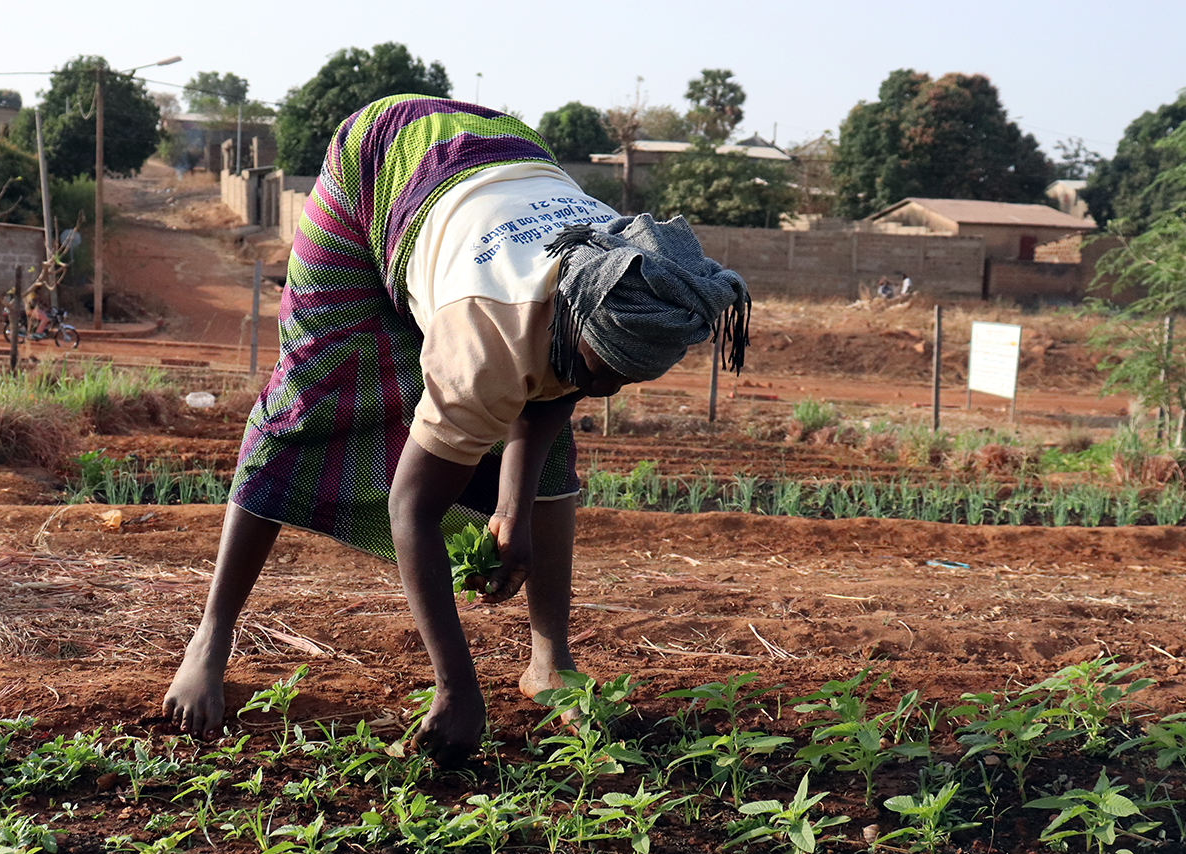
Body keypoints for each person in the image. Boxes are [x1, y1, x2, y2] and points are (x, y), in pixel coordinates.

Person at [163, 95, 750, 765]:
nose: (606, 390)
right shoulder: (485, 341)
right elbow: (410, 508)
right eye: (602, 368)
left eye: (623, 378)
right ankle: (209, 640)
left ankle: (549, 661)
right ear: (569, 317)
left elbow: (564, 385)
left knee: (550, 431)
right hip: (378, 165)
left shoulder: (619, 262)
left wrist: (513, 506)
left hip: (505, 155)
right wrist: (458, 690)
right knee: (308, 399)